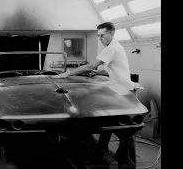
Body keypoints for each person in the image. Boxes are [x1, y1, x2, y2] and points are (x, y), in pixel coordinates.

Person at [55, 22, 138, 169]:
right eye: (98, 36)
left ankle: (128, 165)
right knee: (109, 121)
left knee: (126, 131)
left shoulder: (112, 48)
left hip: (123, 93)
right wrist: (97, 73)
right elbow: (110, 69)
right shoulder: (115, 47)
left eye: (102, 35)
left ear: (111, 33)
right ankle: (100, 152)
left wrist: (68, 72)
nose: (100, 39)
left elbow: (90, 66)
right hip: (117, 91)